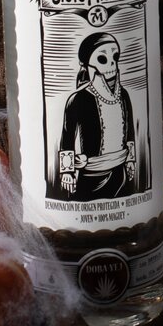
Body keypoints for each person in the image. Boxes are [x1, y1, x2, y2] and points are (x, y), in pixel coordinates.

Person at [54, 31, 143, 201]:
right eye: (102, 59)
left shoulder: (123, 94)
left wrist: (130, 160)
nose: (112, 64)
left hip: (120, 172)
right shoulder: (77, 98)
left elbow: (129, 128)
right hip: (92, 176)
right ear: (86, 64)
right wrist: (67, 171)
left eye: (115, 57)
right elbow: (67, 136)